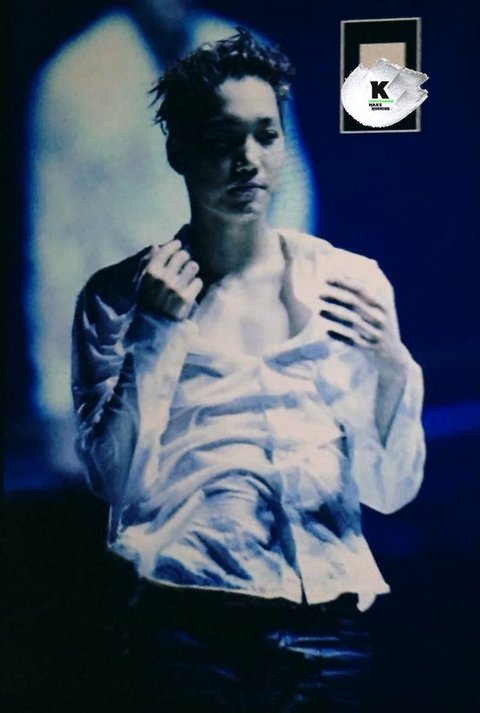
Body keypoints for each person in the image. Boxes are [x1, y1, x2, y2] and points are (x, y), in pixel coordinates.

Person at [72, 30, 425, 712]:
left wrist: (390, 368)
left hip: (327, 625)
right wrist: (155, 333)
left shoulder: (350, 283)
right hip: (186, 625)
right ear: (179, 151)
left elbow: (391, 489)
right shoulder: (118, 297)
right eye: (222, 139)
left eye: (266, 135)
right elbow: (113, 481)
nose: (248, 160)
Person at [28, 0, 315, 473]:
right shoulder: (73, 77)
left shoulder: (247, 54)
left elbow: (293, 196)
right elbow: (55, 247)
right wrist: (57, 397)